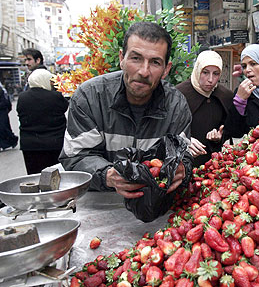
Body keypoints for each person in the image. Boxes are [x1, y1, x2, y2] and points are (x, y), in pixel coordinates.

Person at [59, 22, 193, 201]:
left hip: (154, 206)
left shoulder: (176, 105)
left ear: (166, 69)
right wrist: (107, 175)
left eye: (155, 62)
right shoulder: (90, 97)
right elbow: (75, 156)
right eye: (136, 58)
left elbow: (183, 155)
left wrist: (181, 169)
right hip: (100, 203)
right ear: (122, 58)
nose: (144, 71)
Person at [176, 50, 233, 167]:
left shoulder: (225, 95)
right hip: (181, 165)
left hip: (213, 167)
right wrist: (183, 140)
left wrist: (219, 137)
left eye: (216, 74)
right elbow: (165, 129)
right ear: (197, 70)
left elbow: (230, 128)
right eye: (205, 72)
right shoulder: (178, 94)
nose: (210, 79)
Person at [16, 69, 68, 174]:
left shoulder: (22, 97)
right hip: (54, 144)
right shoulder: (55, 96)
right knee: (55, 177)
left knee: (34, 176)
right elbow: (65, 107)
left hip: (30, 145)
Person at [0, 81, 18, 151]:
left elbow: (5, 102)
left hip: (2, 112)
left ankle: (12, 140)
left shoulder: (1, 91)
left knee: (3, 128)